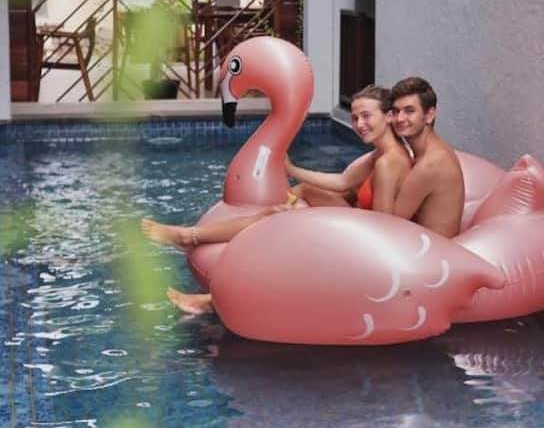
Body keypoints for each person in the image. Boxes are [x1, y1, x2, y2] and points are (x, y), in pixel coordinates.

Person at [141, 85, 412, 312]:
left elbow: (383, 225)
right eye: (354, 118)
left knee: (278, 220)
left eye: (366, 116)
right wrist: (292, 171)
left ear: (388, 116)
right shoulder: (380, 155)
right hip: (358, 225)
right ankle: (196, 242)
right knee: (298, 196)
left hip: (365, 243)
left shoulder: (388, 163)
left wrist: (317, 225)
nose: (359, 124)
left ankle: (200, 261)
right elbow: (342, 181)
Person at [386, 76, 465, 239]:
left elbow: (388, 226)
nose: (399, 119)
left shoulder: (429, 165)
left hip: (432, 252)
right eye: (396, 111)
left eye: (409, 111)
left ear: (429, 115)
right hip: (426, 243)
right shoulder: (434, 149)